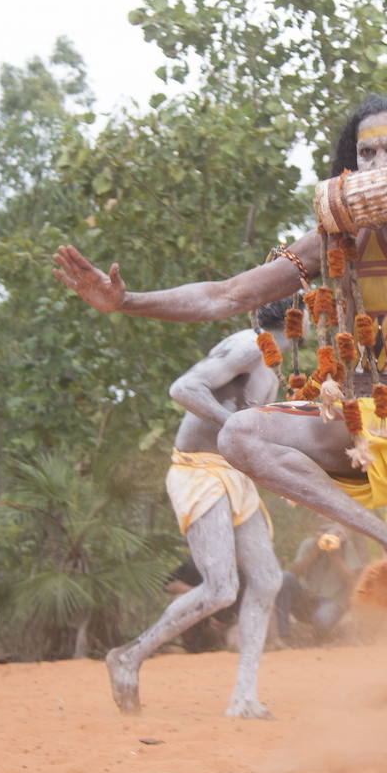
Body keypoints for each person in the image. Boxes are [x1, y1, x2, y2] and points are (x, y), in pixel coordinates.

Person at [55, 93, 387, 743]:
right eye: (366, 153)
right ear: (349, 169)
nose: (380, 161)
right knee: (241, 431)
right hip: (362, 426)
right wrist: (125, 301)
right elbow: (226, 294)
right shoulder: (337, 238)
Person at [103, 301, 291, 718]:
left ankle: (244, 699)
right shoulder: (248, 345)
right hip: (199, 471)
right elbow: (183, 389)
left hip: (233, 475)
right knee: (221, 588)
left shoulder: (271, 367)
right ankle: (129, 657)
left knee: (266, 579)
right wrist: (233, 423)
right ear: (302, 316)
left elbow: (254, 439)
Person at [276, 521, 366, 643]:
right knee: (285, 577)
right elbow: (294, 572)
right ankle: (283, 635)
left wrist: (335, 557)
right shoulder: (309, 544)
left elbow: (352, 582)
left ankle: (321, 636)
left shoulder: (347, 547)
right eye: (323, 532)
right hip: (307, 597)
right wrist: (313, 552)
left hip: (332, 600)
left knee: (322, 620)